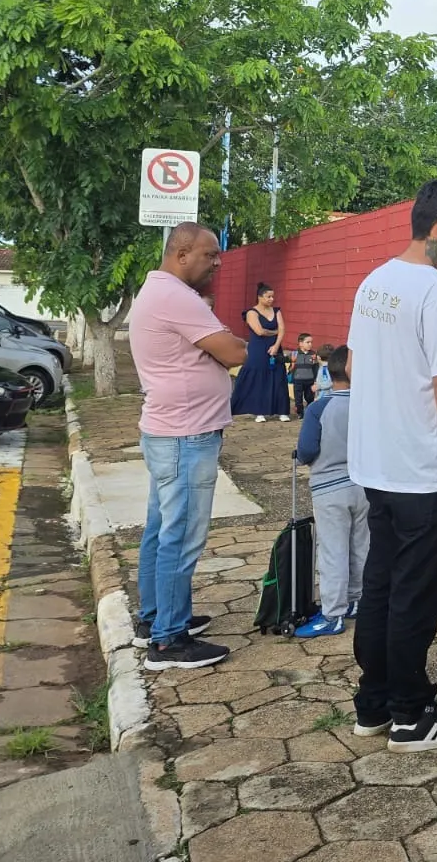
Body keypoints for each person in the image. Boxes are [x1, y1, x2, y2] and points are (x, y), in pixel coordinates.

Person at [346, 179, 437, 753]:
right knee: (415, 591)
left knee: (379, 582)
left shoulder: (373, 281)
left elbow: (353, 365)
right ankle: (410, 714)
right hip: (418, 466)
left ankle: (372, 702)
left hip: (373, 461)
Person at [128, 223, 249, 671]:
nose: (217, 263)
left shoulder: (158, 292)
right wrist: (223, 346)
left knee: (161, 530)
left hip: (171, 431)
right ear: (181, 253)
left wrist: (217, 348)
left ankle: (156, 617)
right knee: (180, 537)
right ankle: (169, 641)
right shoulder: (176, 297)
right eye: (210, 255)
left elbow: (221, 349)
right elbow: (235, 351)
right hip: (185, 435)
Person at [294, 347, 368, 639]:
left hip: (329, 489)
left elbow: (307, 450)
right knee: (361, 545)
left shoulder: (319, 407)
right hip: (363, 486)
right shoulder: (368, 406)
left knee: (333, 551)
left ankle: (332, 614)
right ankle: (356, 600)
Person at [230, 282, 291, 422]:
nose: (271, 299)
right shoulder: (251, 313)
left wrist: (276, 346)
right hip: (258, 350)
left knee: (278, 377)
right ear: (260, 297)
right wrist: (275, 331)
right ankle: (259, 411)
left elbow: (283, 329)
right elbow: (259, 331)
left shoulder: (277, 311)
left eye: (272, 296)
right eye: (268, 297)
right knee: (257, 378)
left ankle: (282, 410)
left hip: (275, 349)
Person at [291, 333, 320, 419]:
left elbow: (316, 368)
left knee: (310, 398)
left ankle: (309, 412)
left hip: (310, 381)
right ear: (300, 343)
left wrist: (315, 380)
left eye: (311, 342)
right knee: (298, 399)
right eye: (308, 342)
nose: (310, 344)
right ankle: (300, 413)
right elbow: (287, 362)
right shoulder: (294, 354)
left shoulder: (313, 355)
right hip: (298, 380)